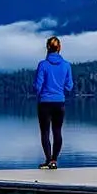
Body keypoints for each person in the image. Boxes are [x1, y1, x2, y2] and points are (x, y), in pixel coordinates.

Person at [32, 36, 75, 169]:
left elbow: (37, 87)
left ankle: (48, 159)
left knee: (45, 133)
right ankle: (54, 160)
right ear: (59, 48)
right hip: (59, 103)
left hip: (44, 103)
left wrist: (41, 93)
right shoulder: (66, 65)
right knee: (57, 132)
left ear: (47, 48)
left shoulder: (43, 65)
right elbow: (69, 86)